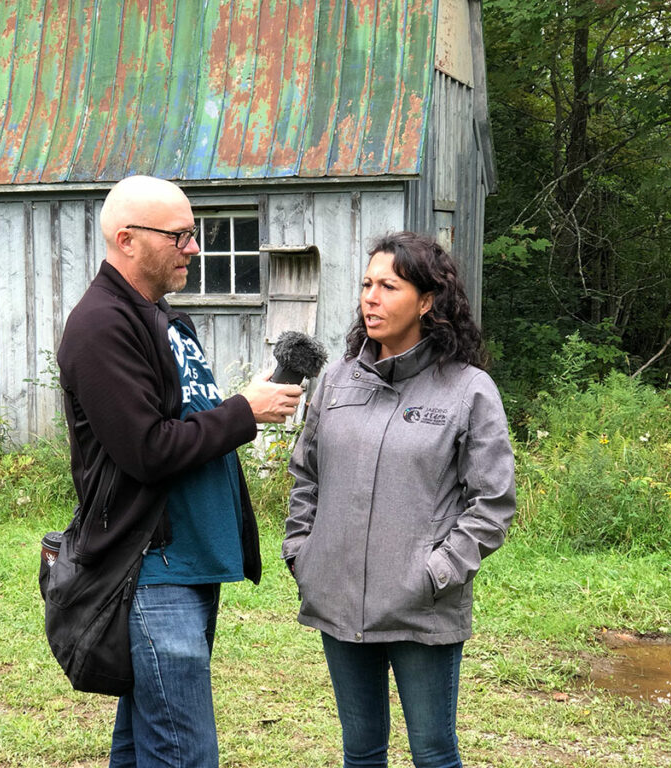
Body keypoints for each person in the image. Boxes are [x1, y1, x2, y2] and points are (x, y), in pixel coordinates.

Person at [57, 175, 303, 768]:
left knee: (145, 746)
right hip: (152, 571)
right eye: (181, 236)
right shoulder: (100, 327)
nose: (195, 248)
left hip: (189, 564)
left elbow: (185, 422)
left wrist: (242, 403)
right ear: (127, 240)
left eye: (195, 234)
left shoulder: (164, 318)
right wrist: (244, 413)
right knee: (183, 754)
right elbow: (147, 450)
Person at [282, 232, 516, 768]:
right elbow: (306, 476)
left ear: (427, 300)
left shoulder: (467, 389)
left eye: (388, 285)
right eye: (367, 284)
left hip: (421, 608)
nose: (371, 297)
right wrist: (303, 552)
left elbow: (492, 502)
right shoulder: (338, 380)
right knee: (361, 754)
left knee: (434, 754)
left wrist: (436, 572)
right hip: (337, 597)